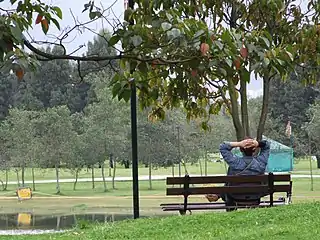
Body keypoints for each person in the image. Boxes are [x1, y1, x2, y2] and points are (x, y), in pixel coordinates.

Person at [206, 138, 271, 208]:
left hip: (235, 196)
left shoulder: (235, 162)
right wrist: (257, 143)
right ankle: (219, 195)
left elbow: (223, 147)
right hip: (255, 196)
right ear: (255, 149)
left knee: (231, 174)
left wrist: (239, 144)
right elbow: (267, 145)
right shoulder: (261, 163)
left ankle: (220, 197)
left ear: (241, 149)